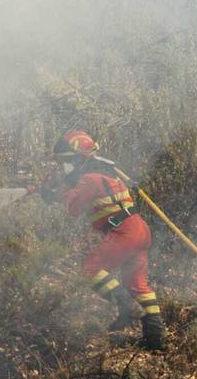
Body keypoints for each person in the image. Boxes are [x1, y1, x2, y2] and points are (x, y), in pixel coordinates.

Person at [41, 129, 166, 350]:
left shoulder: (89, 179)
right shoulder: (108, 175)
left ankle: (126, 305)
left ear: (80, 158)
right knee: (137, 284)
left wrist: (54, 194)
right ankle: (154, 338)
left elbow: (73, 208)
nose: (63, 167)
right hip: (139, 231)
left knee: (90, 268)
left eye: (66, 162)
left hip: (123, 233)